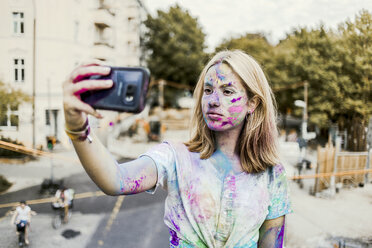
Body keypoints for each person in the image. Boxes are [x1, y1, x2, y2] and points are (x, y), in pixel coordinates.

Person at [63, 50, 292, 247]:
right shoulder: (175, 157)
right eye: (209, 89)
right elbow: (116, 180)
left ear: (252, 103)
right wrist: (77, 126)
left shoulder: (273, 176)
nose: (213, 100)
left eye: (227, 91)